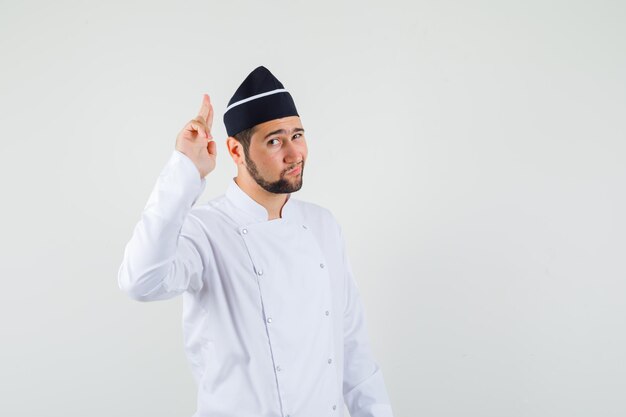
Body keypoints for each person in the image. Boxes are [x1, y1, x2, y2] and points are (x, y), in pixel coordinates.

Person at [118, 66, 394, 417]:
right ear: (235, 151)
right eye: (275, 141)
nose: (294, 154)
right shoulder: (204, 231)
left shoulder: (323, 225)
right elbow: (140, 281)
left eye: (297, 135)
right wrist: (184, 169)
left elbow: (353, 348)